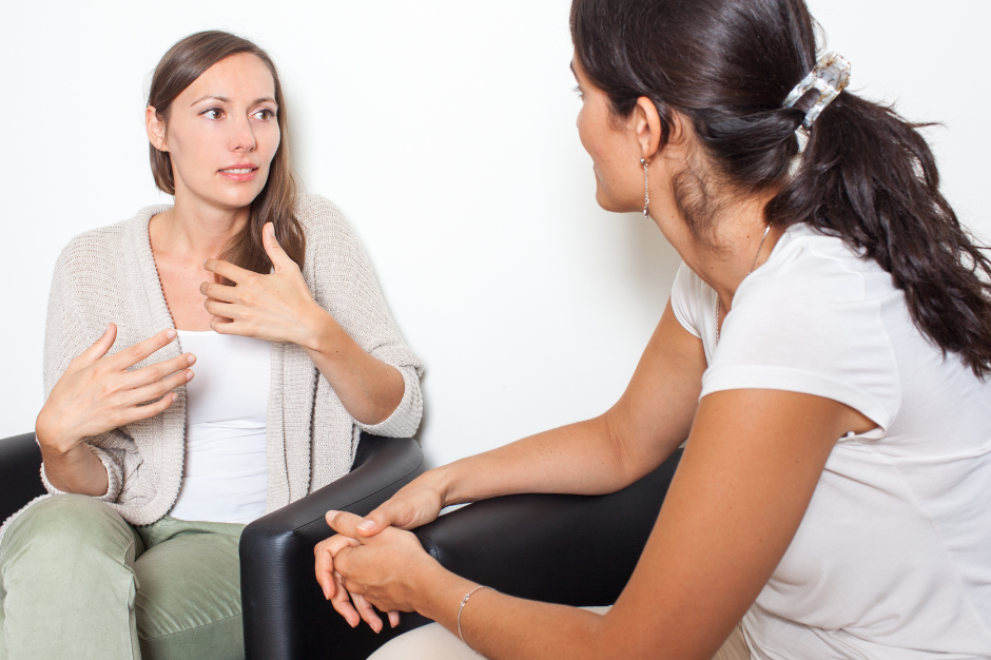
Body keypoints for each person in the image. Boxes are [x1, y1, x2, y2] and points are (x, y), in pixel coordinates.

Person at [313, 0, 991, 658]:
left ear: (644, 125)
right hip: (766, 641)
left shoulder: (804, 311)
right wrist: (443, 484)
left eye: (581, 93)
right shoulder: (726, 269)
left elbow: (633, 653)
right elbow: (622, 440)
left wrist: (422, 585)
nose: (577, 123)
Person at [0, 30, 423, 660]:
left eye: (263, 113)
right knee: (54, 534)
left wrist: (314, 328)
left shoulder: (314, 236)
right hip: (113, 524)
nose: (246, 138)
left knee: (57, 615)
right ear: (159, 127)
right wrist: (58, 443)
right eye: (214, 112)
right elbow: (91, 482)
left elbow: (402, 408)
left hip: (249, 542)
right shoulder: (91, 265)